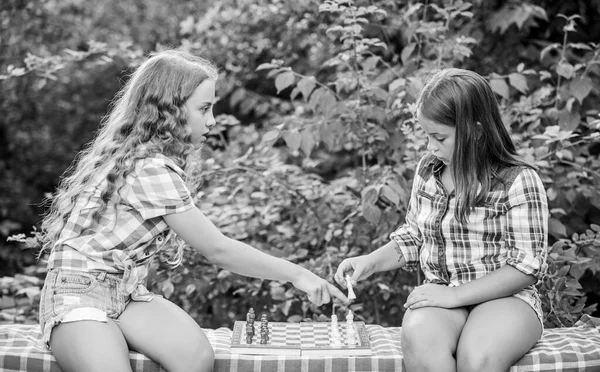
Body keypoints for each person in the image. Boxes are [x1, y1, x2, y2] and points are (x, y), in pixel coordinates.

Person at [38, 49, 348, 372]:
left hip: (124, 293)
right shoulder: (148, 168)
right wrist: (297, 274)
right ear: (169, 111)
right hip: (78, 293)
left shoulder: (149, 160)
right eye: (204, 109)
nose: (212, 120)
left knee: (196, 357)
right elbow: (218, 249)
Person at [335, 68, 548, 372]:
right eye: (427, 136)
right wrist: (370, 261)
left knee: (478, 358)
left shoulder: (517, 181)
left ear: (475, 131)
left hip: (506, 299)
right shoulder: (429, 170)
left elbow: (525, 268)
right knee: (419, 338)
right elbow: (415, 236)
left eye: (439, 137)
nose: (430, 147)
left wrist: (455, 295)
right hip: (442, 292)